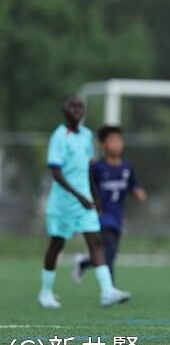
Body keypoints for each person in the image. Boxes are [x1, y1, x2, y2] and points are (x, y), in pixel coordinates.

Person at [40, 96, 131, 308]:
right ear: (63, 109)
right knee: (56, 245)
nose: (77, 110)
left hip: (85, 203)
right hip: (63, 203)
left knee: (96, 242)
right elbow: (55, 172)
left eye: (80, 107)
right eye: (72, 107)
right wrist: (79, 196)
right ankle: (45, 292)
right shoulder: (59, 137)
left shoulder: (87, 135)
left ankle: (107, 291)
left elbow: (88, 170)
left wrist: (94, 196)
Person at [73, 125, 147, 284]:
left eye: (118, 140)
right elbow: (86, 186)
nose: (116, 144)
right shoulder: (97, 167)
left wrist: (138, 192)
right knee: (109, 254)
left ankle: (84, 262)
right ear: (103, 144)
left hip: (117, 216)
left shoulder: (127, 166)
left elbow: (133, 185)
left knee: (106, 255)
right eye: (112, 141)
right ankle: (109, 290)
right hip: (101, 216)